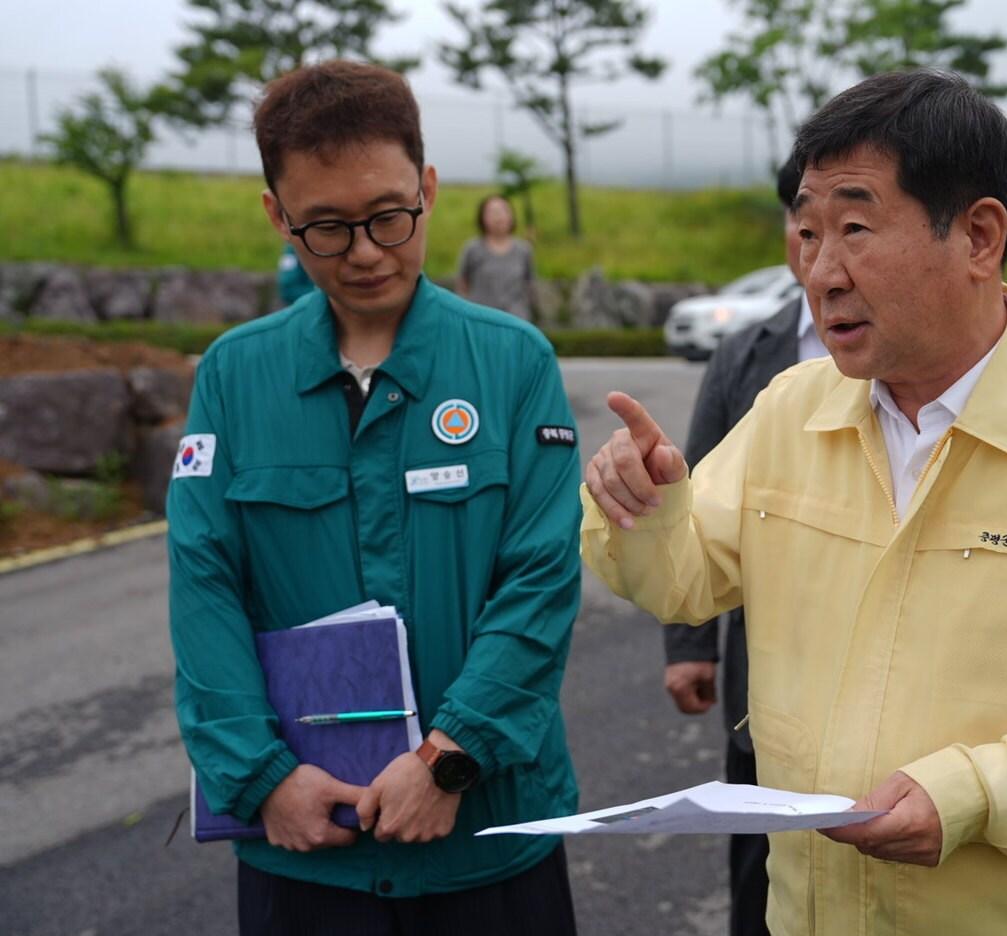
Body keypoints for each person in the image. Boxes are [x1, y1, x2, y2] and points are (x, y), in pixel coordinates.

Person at [581, 69, 1007, 936]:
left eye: (856, 229)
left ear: (978, 235)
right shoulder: (791, 408)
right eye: (808, 231)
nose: (821, 272)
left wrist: (976, 795)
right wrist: (643, 505)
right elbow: (681, 582)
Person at [167, 61, 582, 936]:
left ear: (428, 189)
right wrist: (261, 778)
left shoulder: (513, 363)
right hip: (305, 850)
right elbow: (204, 587)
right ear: (277, 216)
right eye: (325, 227)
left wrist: (450, 760)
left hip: (489, 835)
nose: (363, 251)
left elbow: (540, 579)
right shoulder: (236, 377)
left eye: (389, 216)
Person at [661, 154, 827, 936]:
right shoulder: (747, 354)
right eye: (804, 222)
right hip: (765, 655)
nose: (819, 245)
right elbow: (692, 499)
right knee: (760, 867)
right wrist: (689, 643)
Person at [455, 194, 535, 322]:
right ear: (482, 218)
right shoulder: (472, 249)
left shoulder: (524, 250)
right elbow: (463, 284)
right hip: (481, 321)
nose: (499, 216)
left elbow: (529, 285)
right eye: (492, 212)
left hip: (516, 322)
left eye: (503, 210)